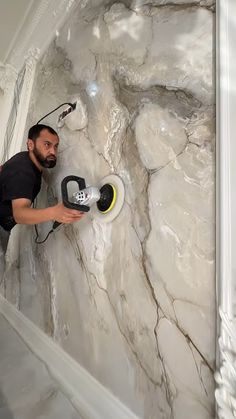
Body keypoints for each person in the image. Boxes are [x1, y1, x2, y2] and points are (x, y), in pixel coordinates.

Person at [0, 124, 84, 252]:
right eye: (47, 145)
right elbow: (20, 214)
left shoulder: (26, 158)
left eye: (55, 146)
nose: (53, 152)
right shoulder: (24, 171)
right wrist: (54, 212)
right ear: (30, 144)